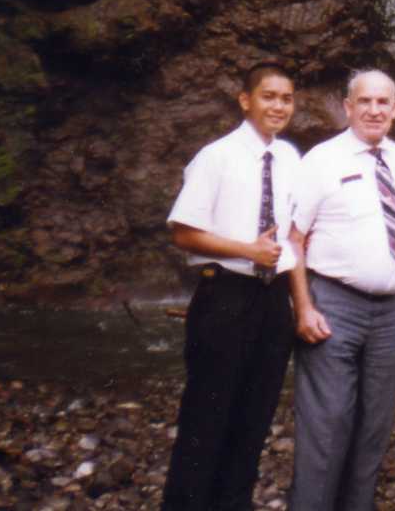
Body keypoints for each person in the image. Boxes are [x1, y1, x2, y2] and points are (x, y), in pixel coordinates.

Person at [162, 61, 300, 511]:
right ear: (245, 100)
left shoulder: (290, 158)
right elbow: (184, 233)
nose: (278, 106)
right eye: (268, 96)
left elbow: (296, 232)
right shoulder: (216, 157)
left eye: (286, 98)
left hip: (273, 298)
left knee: (255, 417)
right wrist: (247, 250)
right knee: (207, 416)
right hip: (225, 295)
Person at [289, 69, 395, 511]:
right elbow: (294, 238)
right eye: (364, 101)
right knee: (327, 423)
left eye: (383, 102)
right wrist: (303, 307)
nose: (374, 110)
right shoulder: (321, 160)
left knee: (373, 427)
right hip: (334, 304)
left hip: (391, 312)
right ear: (348, 107)